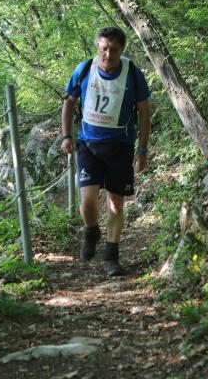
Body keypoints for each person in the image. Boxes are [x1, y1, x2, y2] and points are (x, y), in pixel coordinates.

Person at [61, 26, 151, 276]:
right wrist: (67, 135)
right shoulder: (83, 69)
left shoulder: (133, 73)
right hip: (88, 145)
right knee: (88, 202)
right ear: (97, 48)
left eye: (113, 49)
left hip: (121, 146)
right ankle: (91, 229)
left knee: (116, 205)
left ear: (122, 50)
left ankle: (111, 256)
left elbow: (144, 113)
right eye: (103, 48)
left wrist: (142, 150)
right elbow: (68, 103)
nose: (107, 54)